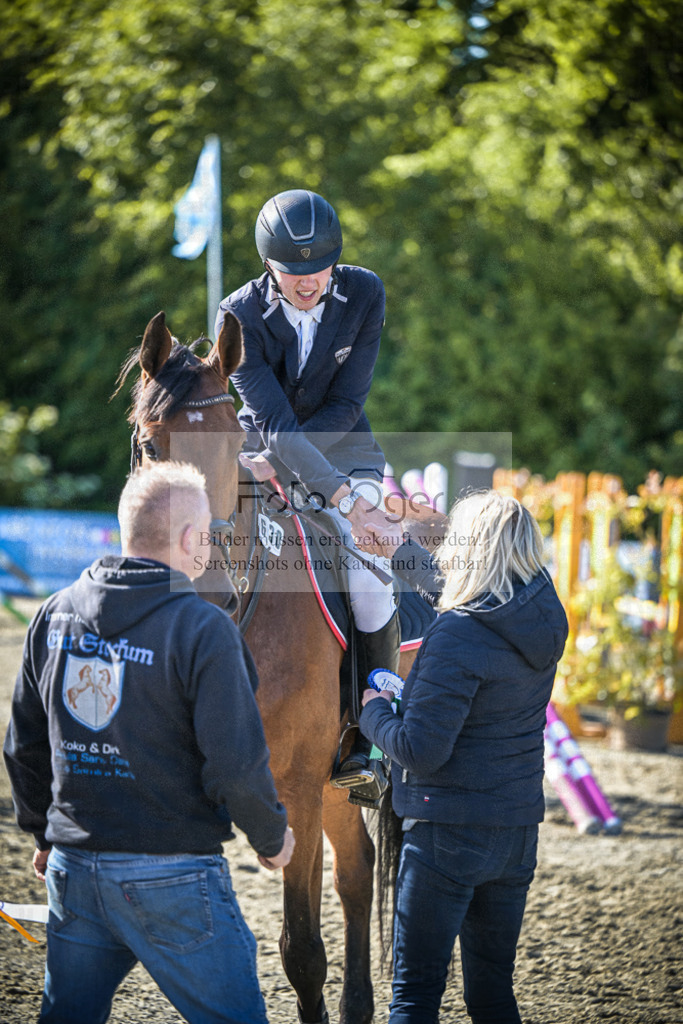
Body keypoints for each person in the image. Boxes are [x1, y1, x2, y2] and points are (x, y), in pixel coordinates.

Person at [3, 461, 295, 1024]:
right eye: (207, 533)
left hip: (74, 867)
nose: (209, 545)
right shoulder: (204, 629)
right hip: (173, 874)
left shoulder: (53, 614)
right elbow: (235, 763)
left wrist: (43, 832)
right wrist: (270, 835)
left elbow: (23, 745)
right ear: (188, 539)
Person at [214, 188, 399, 803]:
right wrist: (289, 465)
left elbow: (347, 403)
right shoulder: (238, 314)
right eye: (293, 272)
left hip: (345, 452)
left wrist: (337, 494)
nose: (309, 282)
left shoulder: (364, 292)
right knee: (206, 553)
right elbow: (271, 420)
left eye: (320, 268)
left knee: (370, 574)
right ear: (268, 264)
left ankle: (368, 740)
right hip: (262, 454)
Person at [357, 490, 569, 1023]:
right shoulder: (544, 617)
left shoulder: (455, 633)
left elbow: (420, 750)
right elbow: (474, 602)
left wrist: (373, 712)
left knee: (415, 996)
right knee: (493, 995)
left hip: (446, 834)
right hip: (516, 834)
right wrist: (400, 551)